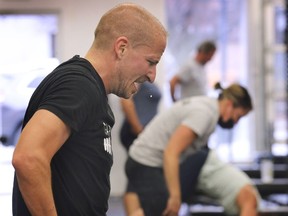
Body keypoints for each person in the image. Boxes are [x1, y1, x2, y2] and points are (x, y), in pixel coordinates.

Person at [11, 3, 167, 216]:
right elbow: (28, 157)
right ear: (121, 48)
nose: (152, 76)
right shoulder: (79, 85)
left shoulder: (92, 89)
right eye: (151, 62)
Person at [124, 83, 260, 216]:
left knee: (159, 210)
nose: (236, 122)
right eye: (238, 116)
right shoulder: (204, 114)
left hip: (145, 161)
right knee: (167, 208)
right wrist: (175, 197)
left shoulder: (208, 108)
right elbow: (171, 153)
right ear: (230, 104)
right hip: (145, 163)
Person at [120, 82, 161, 151]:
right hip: (136, 132)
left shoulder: (149, 81)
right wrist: (138, 129)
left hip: (147, 131)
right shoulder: (138, 79)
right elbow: (125, 102)